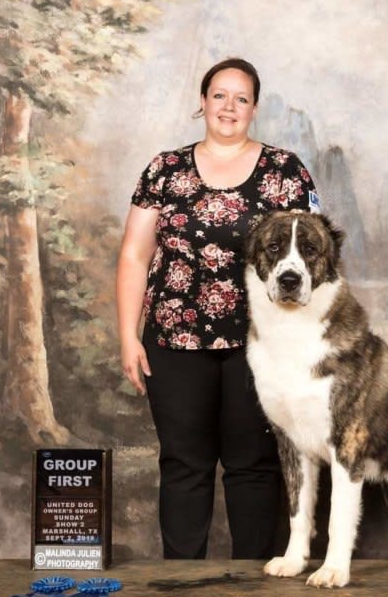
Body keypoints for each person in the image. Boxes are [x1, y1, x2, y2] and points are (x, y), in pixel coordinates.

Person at [116, 58, 318, 560]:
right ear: (203, 101)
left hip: (263, 344)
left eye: (241, 98)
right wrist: (127, 334)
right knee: (184, 463)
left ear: (254, 109)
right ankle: (181, 591)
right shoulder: (164, 170)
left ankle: (254, 589)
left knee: (254, 464)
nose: (229, 106)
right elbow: (135, 254)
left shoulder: (286, 171)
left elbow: (316, 256)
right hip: (175, 338)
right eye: (220, 95)